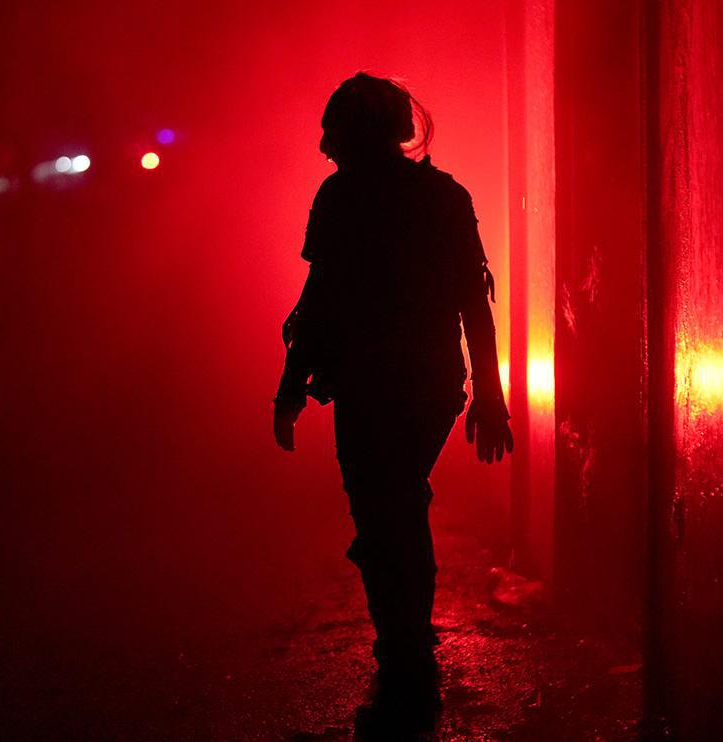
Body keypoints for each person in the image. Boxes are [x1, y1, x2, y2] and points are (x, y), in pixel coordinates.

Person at [272, 72, 513, 733]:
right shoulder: (443, 196)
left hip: (368, 385)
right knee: (397, 507)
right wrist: (488, 396)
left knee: (385, 513)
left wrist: (290, 388)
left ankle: (405, 661)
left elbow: (319, 301)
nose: (326, 148)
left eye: (334, 133)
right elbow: (474, 305)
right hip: (430, 385)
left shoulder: (339, 199)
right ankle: (407, 655)